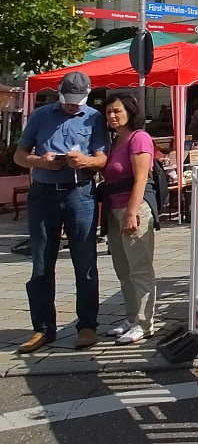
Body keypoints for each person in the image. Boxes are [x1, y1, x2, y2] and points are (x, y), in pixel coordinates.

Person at [15, 71, 108, 353]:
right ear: (59, 93)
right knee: (41, 264)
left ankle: (87, 326)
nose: (72, 106)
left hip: (81, 193)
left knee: (85, 262)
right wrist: (40, 161)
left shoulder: (94, 117)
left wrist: (85, 161)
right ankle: (42, 328)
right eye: (69, 101)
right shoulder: (41, 115)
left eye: (78, 102)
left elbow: (102, 159)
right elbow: (19, 155)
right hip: (44, 195)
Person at [98, 93, 157, 344]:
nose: (112, 116)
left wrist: (132, 213)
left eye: (117, 111)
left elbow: (141, 178)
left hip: (133, 209)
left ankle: (145, 323)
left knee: (139, 269)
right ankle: (132, 317)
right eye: (109, 111)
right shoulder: (115, 140)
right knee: (123, 269)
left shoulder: (139, 138)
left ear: (130, 112)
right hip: (113, 209)